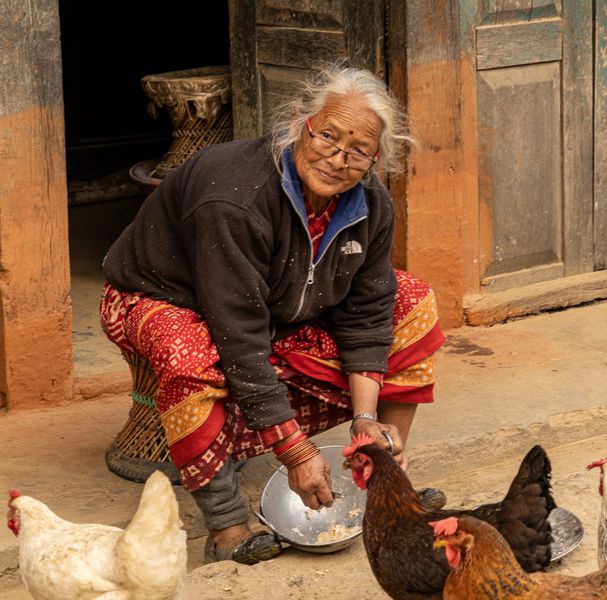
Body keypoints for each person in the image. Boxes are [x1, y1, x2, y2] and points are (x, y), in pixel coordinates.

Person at [99, 63, 446, 564]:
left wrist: (366, 419)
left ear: (374, 160)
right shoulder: (233, 196)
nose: (337, 158)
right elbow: (238, 335)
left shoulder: (372, 205)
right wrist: (297, 452)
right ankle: (227, 526)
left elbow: (368, 309)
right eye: (328, 135)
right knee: (192, 352)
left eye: (358, 151)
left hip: (281, 307)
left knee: (412, 302)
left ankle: (381, 476)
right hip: (164, 298)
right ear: (296, 124)